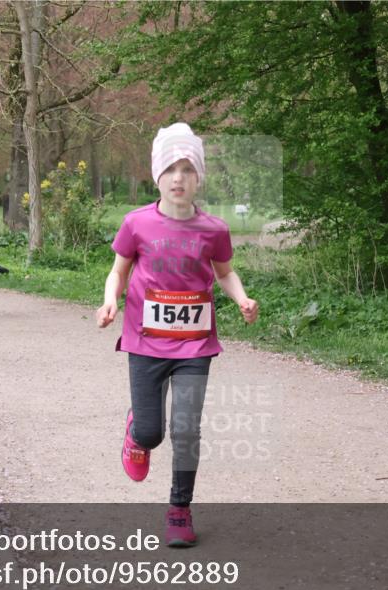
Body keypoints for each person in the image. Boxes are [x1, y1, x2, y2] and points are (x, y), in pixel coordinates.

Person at [96, 123, 259, 547]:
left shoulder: (214, 229)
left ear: (198, 176)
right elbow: (118, 272)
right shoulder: (136, 223)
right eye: (170, 169)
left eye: (187, 169)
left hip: (194, 344)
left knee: (186, 429)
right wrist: (111, 301)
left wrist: (242, 298)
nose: (178, 178)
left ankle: (179, 509)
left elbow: (225, 273)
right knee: (153, 432)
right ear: (157, 176)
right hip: (145, 341)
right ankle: (138, 432)